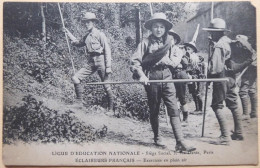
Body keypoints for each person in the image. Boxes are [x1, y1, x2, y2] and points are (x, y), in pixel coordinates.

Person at [130, 12, 196, 152]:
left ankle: (180, 142)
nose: (158, 30)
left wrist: (172, 61)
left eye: (161, 27)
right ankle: (157, 136)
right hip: (152, 78)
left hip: (167, 77)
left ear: (165, 28)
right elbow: (135, 62)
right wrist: (141, 75)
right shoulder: (145, 43)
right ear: (151, 28)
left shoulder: (170, 43)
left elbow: (176, 60)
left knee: (173, 108)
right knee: (154, 109)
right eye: (155, 26)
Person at [203, 18, 255, 145]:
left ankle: (225, 136)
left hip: (221, 78)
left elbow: (215, 68)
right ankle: (239, 132)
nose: (210, 34)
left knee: (217, 106)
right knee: (233, 104)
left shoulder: (220, 45)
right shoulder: (228, 41)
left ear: (217, 32)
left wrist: (208, 77)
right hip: (231, 77)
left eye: (211, 32)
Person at [64, 12, 114, 113]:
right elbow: (78, 43)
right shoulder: (87, 36)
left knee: (106, 84)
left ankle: (112, 109)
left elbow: (107, 50)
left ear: (93, 23)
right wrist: (68, 33)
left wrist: (108, 67)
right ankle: (79, 103)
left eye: (88, 22)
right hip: (91, 62)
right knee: (75, 78)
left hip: (101, 61)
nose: (86, 24)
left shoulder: (100, 34)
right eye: (85, 22)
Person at [233, 35, 257, 119]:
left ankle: (246, 114)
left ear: (241, 42)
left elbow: (251, 59)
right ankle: (254, 112)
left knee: (243, 91)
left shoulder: (247, 48)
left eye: (238, 42)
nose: (236, 44)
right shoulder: (245, 49)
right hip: (252, 69)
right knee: (252, 89)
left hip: (251, 69)